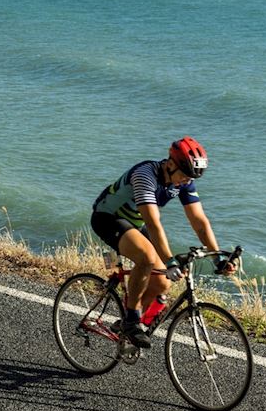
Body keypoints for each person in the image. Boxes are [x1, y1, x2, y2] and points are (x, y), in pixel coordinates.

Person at [91, 137, 237, 348]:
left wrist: (217, 257)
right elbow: (153, 223)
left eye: (190, 179)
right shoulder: (145, 175)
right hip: (107, 218)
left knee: (161, 283)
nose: (186, 182)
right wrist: (169, 261)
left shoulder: (183, 180)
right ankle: (132, 321)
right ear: (170, 164)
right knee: (147, 259)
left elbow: (199, 222)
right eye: (184, 176)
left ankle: (126, 322)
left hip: (134, 223)